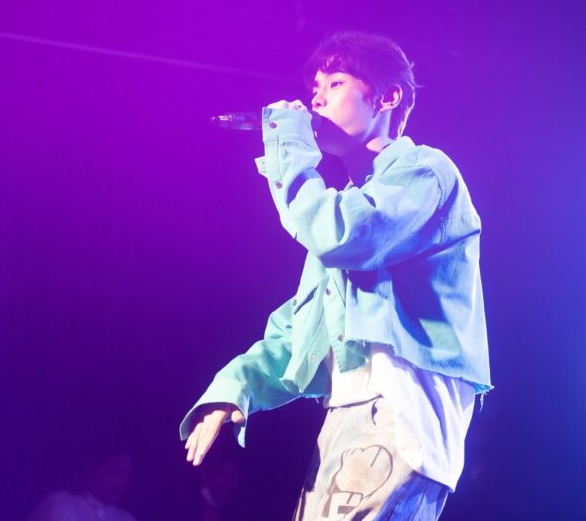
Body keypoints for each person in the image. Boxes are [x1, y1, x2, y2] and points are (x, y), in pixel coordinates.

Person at [181, 31, 491, 520]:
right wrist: (235, 387)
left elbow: (341, 234)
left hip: (400, 410)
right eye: (314, 88)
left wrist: (288, 146)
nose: (317, 99)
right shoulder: (346, 203)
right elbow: (299, 332)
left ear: (387, 97)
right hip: (347, 418)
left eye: (336, 82)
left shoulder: (425, 172)